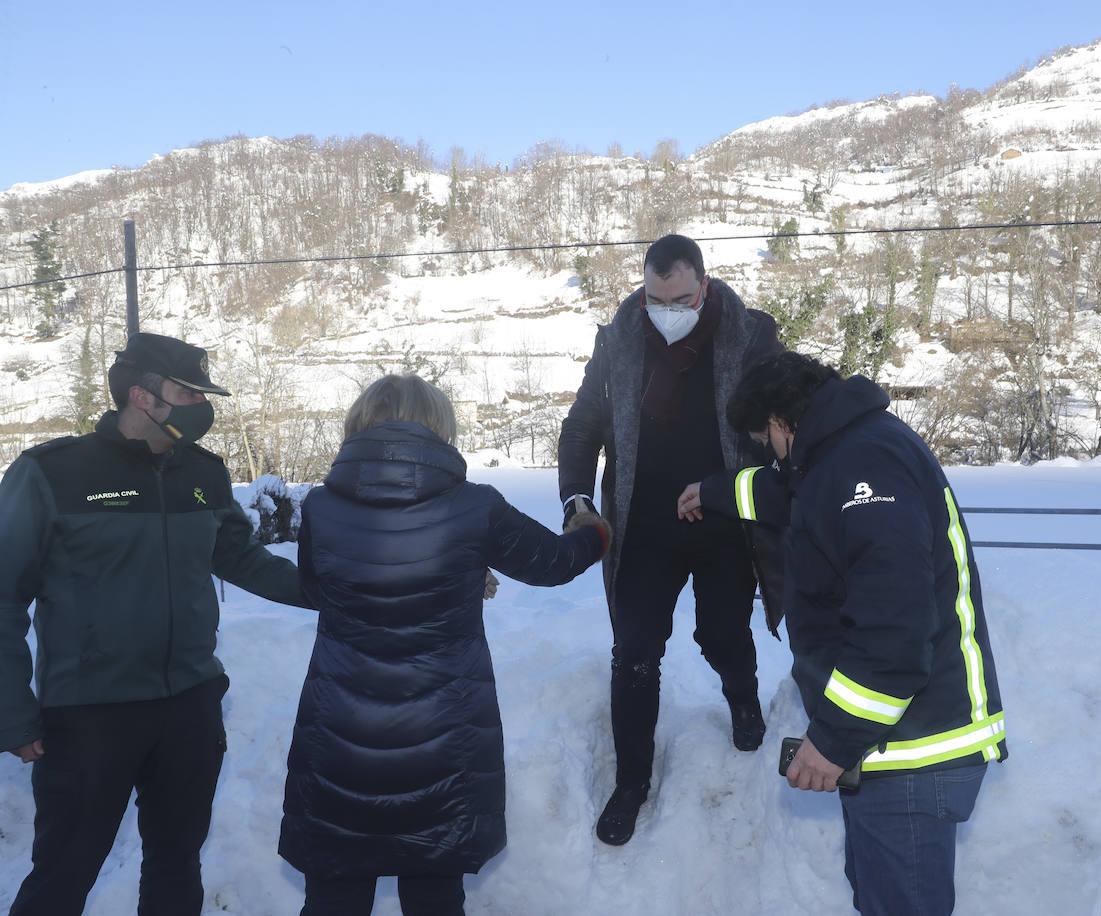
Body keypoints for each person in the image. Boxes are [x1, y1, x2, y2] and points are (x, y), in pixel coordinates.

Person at [677, 352, 1007, 915]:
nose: (770, 456)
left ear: (783, 422)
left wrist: (832, 741)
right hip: (890, 744)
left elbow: (894, 635)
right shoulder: (847, 452)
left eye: (765, 440)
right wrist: (716, 492)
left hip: (912, 753)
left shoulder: (865, 466)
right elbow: (800, 496)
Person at [0, 332, 309, 916]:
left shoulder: (204, 473)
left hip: (189, 707)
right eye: (187, 391)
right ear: (142, 397)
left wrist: (344, 591)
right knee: (63, 876)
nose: (202, 405)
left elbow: (241, 558)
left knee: (175, 867)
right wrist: (12, 709)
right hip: (89, 717)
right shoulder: (51, 473)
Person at [278, 375, 610, 916]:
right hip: (443, 739)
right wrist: (595, 532)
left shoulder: (321, 506)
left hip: (341, 733)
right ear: (438, 430)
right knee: (434, 893)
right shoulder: (475, 507)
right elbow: (555, 563)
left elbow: (320, 590)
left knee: (335, 892)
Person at [557, 233, 784, 845]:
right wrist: (577, 497)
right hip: (643, 524)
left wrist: (759, 488)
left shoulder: (750, 336)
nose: (667, 311)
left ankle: (743, 700)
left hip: (725, 519)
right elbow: (582, 425)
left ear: (703, 286)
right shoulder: (621, 339)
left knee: (722, 632)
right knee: (634, 652)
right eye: (656, 299)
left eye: (680, 299)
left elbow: (783, 417)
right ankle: (631, 782)